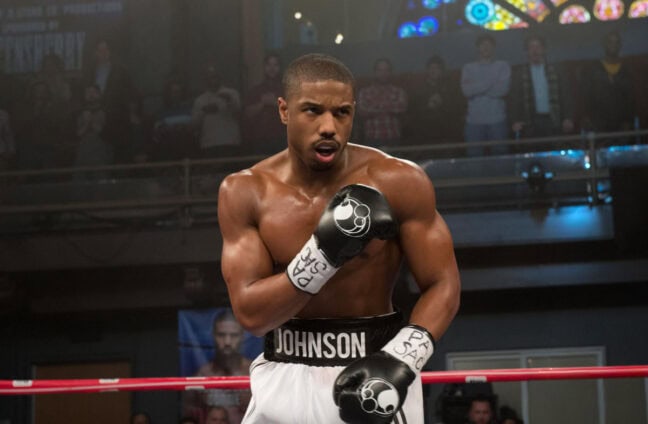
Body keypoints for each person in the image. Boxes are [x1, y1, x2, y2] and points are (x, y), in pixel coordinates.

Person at [218, 53, 461, 423]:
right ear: (284, 111)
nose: (329, 127)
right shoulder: (246, 192)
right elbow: (251, 314)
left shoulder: (398, 181)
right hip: (284, 372)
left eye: (342, 112)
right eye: (313, 111)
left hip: (375, 368)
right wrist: (324, 253)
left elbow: (443, 283)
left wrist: (402, 359)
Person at [183, 310, 251, 424]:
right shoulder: (201, 375)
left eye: (234, 335)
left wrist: (252, 402)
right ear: (213, 336)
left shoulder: (253, 373)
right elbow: (188, 418)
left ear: (242, 337)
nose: (227, 342)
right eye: (221, 335)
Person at [509, 35, 575, 150]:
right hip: (529, 121)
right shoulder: (519, 73)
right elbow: (514, 98)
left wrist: (568, 117)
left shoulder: (557, 70)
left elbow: (566, 95)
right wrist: (514, 121)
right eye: (531, 47)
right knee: (532, 154)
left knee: (555, 152)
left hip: (554, 119)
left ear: (544, 50)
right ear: (527, 51)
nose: (535, 50)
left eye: (538, 47)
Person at [461, 34, 511, 156]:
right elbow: (467, 91)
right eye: (482, 45)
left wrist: (476, 86)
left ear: (494, 47)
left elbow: (502, 90)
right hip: (473, 121)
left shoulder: (503, 66)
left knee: (501, 157)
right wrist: (492, 81)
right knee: (474, 157)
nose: (485, 47)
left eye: (488, 45)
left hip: (497, 120)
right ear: (477, 48)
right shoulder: (468, 68)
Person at [581, 30, 636, 137]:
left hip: (622, 124)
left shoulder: (626, 70)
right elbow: (587, 96)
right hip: (599, 123)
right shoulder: (593, 70)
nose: (613, 45)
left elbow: (630, 99)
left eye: (616, 42)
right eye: (610, 42)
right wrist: (588, 118)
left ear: (620, 45)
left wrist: (628, 121)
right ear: (604, 44)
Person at [407, 55, 465, 148]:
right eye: (431, 68)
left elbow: (459, 108)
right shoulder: (419, 89)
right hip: (426, 133)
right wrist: (428, 106)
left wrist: (443, 103)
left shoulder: (451, 88)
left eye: (437, 68)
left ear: (442, 71)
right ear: (427, 70)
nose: (434, 71)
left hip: (447, 133)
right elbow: (413, 111)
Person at [191, 64, 242, 157]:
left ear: (220, 76)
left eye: (215, 75)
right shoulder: (200, 100)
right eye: (209, 76)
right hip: (208, 144)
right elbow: (194, 126)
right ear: (205, 79)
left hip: (230, 142)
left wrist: (229, 101)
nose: (212, 79)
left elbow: (240, 117)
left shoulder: (232, 93)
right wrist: (204, 111)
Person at [357, 57, 408, 148]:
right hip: (372, 138)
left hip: (393, 137)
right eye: (380, 70)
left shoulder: (398, 91)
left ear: (390, 72)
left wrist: (375, 106)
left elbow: (401, 108)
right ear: (375, 72)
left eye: (386, 70)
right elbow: (362, 111)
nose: (383, 73)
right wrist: (388, 106)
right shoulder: (365, 92)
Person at [242, 53, 285, 155]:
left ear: (279, 67)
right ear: (264, 67)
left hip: (282, 138)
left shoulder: (286, 89)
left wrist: (275, 103)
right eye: (269, 65)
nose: (272, 68)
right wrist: (262, 103)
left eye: (275, 65)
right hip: (260, 139)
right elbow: (247, 114)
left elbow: (294, 113)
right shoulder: (256, 90)